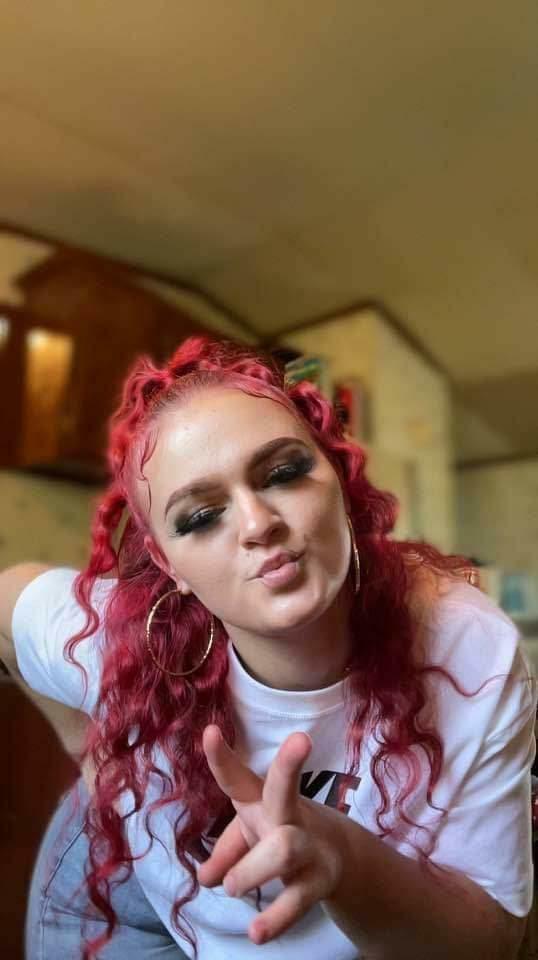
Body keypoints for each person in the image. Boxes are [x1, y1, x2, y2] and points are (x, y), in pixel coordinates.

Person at [0, 335, 535, 960]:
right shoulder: (125, 642)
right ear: (171, 567)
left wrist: (342, 856)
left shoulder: (467, 651)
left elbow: (492, 943)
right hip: (118, 898)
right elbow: (8, 600)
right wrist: (86, 747)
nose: (258, 525)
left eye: (283, 474)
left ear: (339, 480)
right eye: (201, 517)